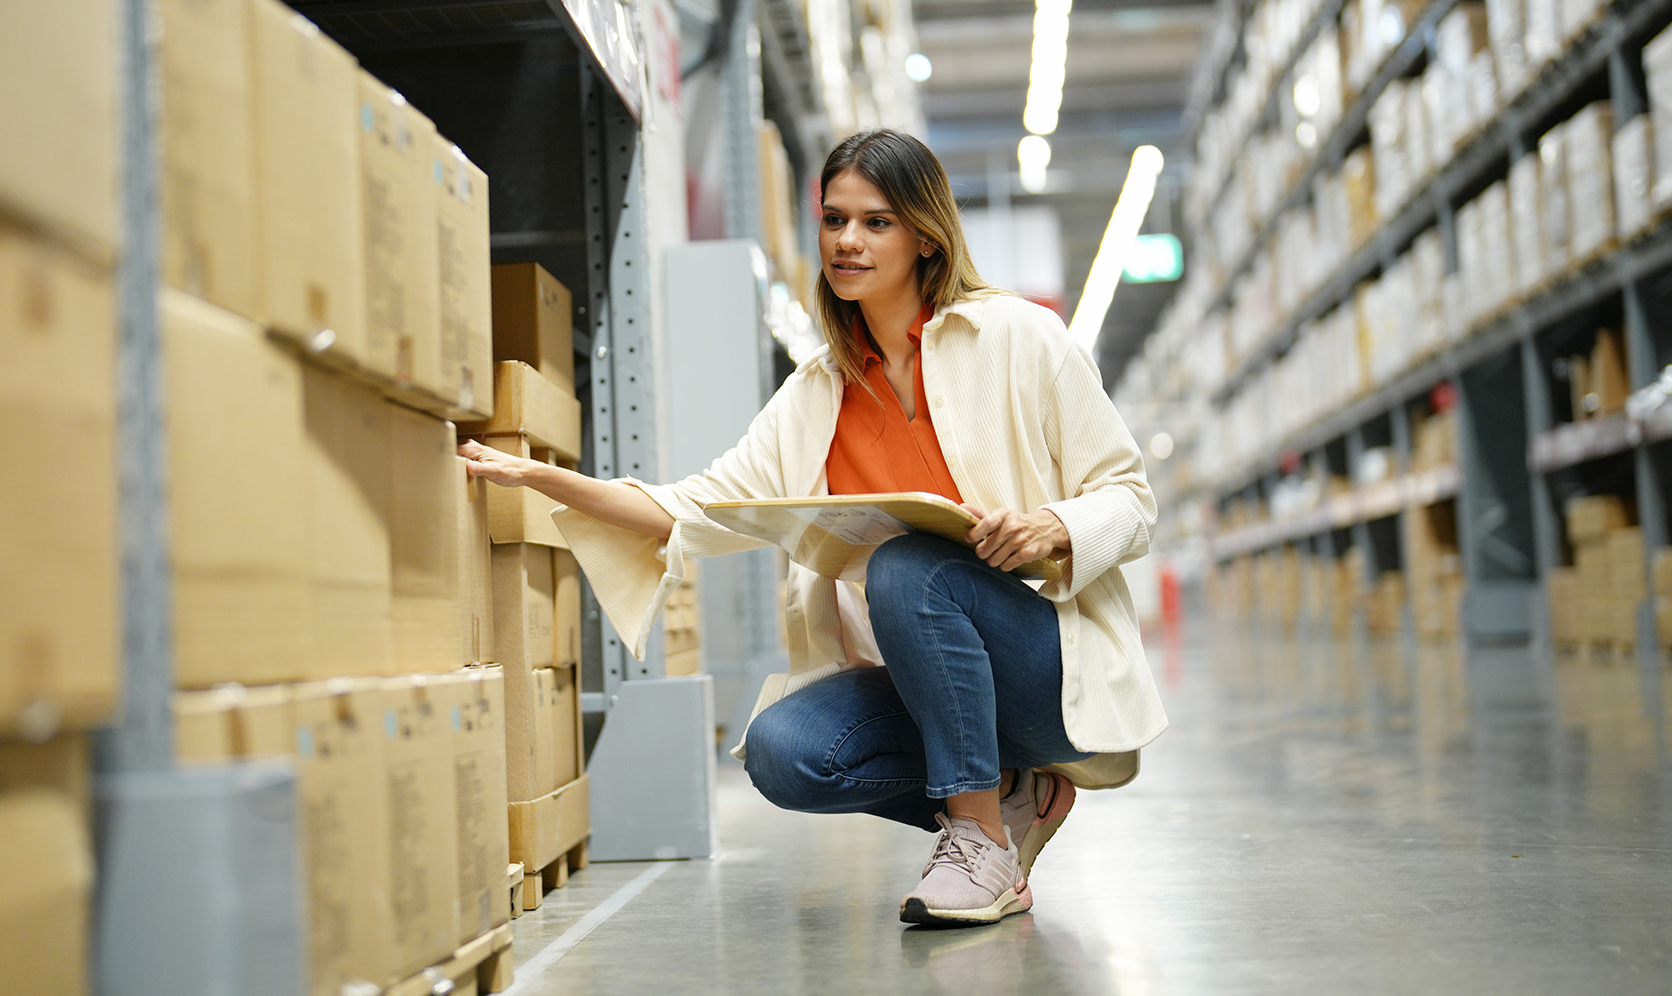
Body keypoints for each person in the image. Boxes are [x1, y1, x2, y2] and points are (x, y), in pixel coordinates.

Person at [460, 128, 1167, 927]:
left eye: (876, 222)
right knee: (785, 752)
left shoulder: (1016, 337)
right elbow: (700, 505)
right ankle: (1014, 796)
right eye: (834, 220)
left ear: (925, 235)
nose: (848, 241)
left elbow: (1131, 498)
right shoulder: (821, 388)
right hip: (931, 682)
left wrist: (1050, 527)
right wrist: (544, 476)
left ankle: (981, 847)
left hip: (1047, 674)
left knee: (908, 567)